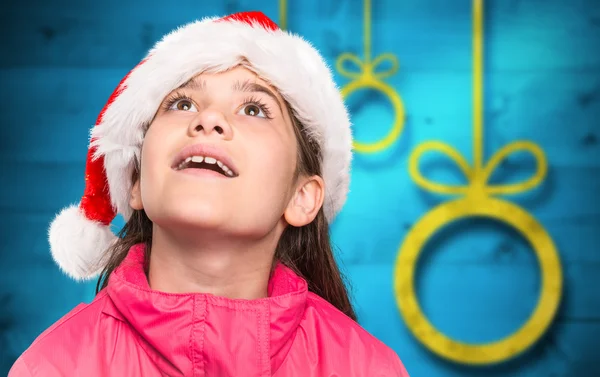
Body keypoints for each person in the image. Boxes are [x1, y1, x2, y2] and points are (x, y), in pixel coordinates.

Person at [9, 11, 409, 377]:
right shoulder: (52, 366)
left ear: (302, 196)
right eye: (182, 103)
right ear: (135, 183)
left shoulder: (367, 367)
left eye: (254, 109)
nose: (209, 119)